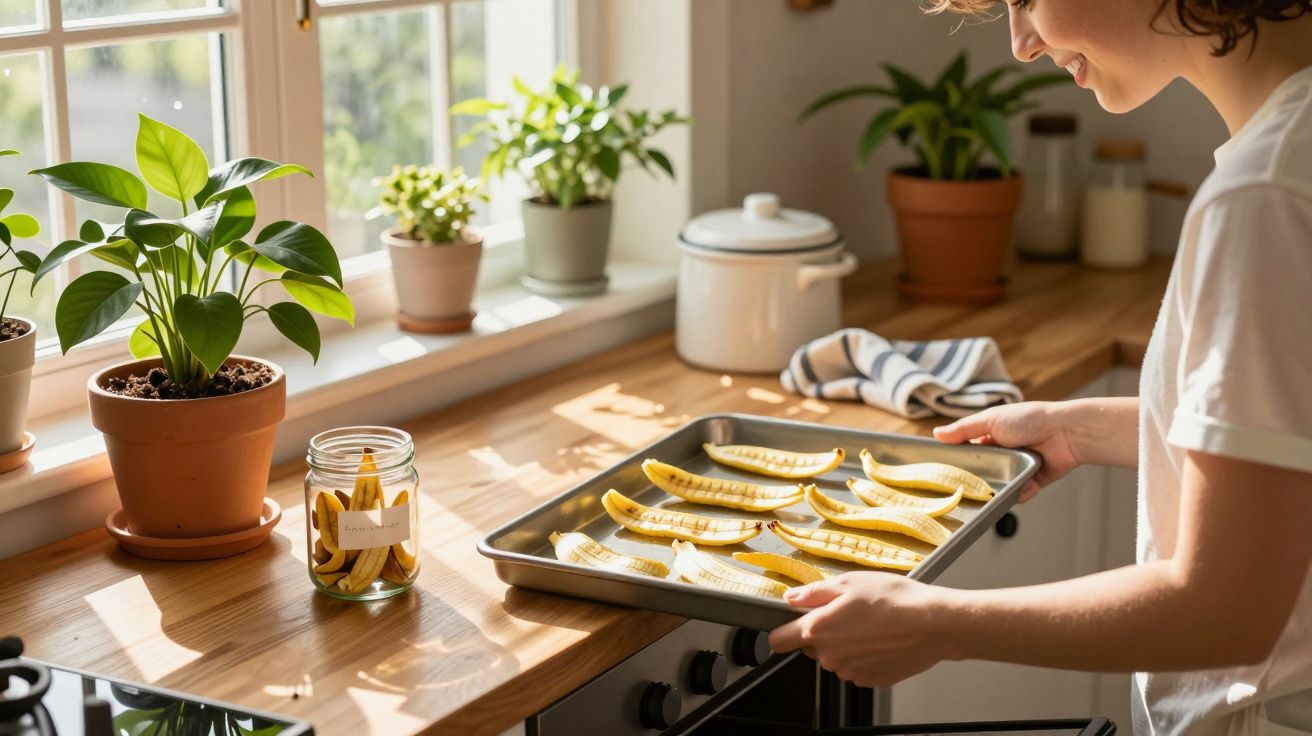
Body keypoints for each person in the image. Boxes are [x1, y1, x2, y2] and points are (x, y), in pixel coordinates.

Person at [767, 2, 1312, 734]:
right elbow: (1287, 443)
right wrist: (1078, 429)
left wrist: (939, 623)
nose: (1022, 44)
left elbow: (1228, 610)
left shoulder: (1265, 196)